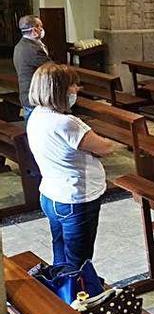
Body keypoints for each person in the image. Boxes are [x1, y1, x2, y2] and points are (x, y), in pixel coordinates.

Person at [27, 63, 116, 269]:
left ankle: (61, 293)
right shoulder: (67, 123)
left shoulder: (36, 116)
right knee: (78, 263)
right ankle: (76, 297)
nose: (76, 90)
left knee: (61, 255)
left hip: (51, 194)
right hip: (75, 198)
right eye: (72, 86)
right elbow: (105, 147)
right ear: (57, 89)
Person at [13, 15, 51, 121]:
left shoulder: (20, 45)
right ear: (34, 29)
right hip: (35, 96)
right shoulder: (32, 49)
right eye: (40, 27)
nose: (42, 30)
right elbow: (51, 69)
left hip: (27, 94)